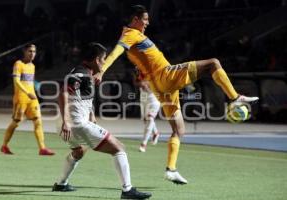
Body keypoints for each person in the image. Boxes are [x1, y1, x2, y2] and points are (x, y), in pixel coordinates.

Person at [94, 5, 259, 184]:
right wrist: (102, 71)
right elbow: (116, 52)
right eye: (145, 19)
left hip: (161, 87)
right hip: (166, 75)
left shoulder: (136, 37)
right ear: (135, 19)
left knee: (179, 130)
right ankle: (235, 98)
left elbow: (137, 60)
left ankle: (171, 170)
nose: (148, 22)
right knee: (213, 63)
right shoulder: (130, 33)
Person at [52, 42, 151, 199]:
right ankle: (127, 190)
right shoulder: (82, 73)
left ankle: (61, 184)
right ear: (97, 59)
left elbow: (82, 97)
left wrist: (91, 114)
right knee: (119, 148)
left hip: (69, 124)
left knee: (79, 151)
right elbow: (63, 93)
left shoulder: (86, 73)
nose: (104, 62)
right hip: (75, 124)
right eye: (103, 59)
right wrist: (67, 121)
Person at [0, 44, 55, 156]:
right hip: (21, 98)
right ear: (24, 51)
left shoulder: (32, 66)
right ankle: (4, 145)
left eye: (34, 51)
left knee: (38, 121)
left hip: (32, 98)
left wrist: (35, 90)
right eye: (30, 51)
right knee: (16, 123)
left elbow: (29, 82)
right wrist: (27, 92)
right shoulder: (18, 64)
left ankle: (42, 148)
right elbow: (17, 82)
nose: (32, 53)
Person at [134, 69, 160, 153]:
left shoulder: (154, 75)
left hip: (154, 101)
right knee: (146, 121)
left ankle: (143, 144)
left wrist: (147, 84)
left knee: (150, 119)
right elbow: (137, 83)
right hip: (144, 101)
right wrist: (140, 82)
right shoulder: (138, 76)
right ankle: (156, 133)